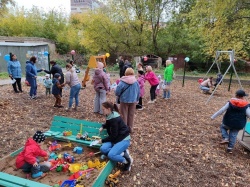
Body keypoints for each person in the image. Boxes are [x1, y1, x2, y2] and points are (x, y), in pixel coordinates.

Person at [98, 101, 133, 172]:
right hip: (115, 139)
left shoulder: (115, 119)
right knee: (102, 149)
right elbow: (108, 123)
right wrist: (103, 126)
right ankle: (121, 152)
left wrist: (102, 140)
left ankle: (127, 160)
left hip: (123, 139)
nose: (102, 111)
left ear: (108, 109)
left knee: (111, 155)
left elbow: (114, 135)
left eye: (103, 109)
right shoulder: (110, 115)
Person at [115, 68, 140, 133]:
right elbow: (138, 92)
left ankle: (124, 129)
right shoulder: (136, 81)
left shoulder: (122, 81)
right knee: (131, 115)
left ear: (126, 73)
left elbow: (117, 92)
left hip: (124, 100)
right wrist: (137, 99)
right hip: (133, 100)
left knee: (124, 115)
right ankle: (130, 129)